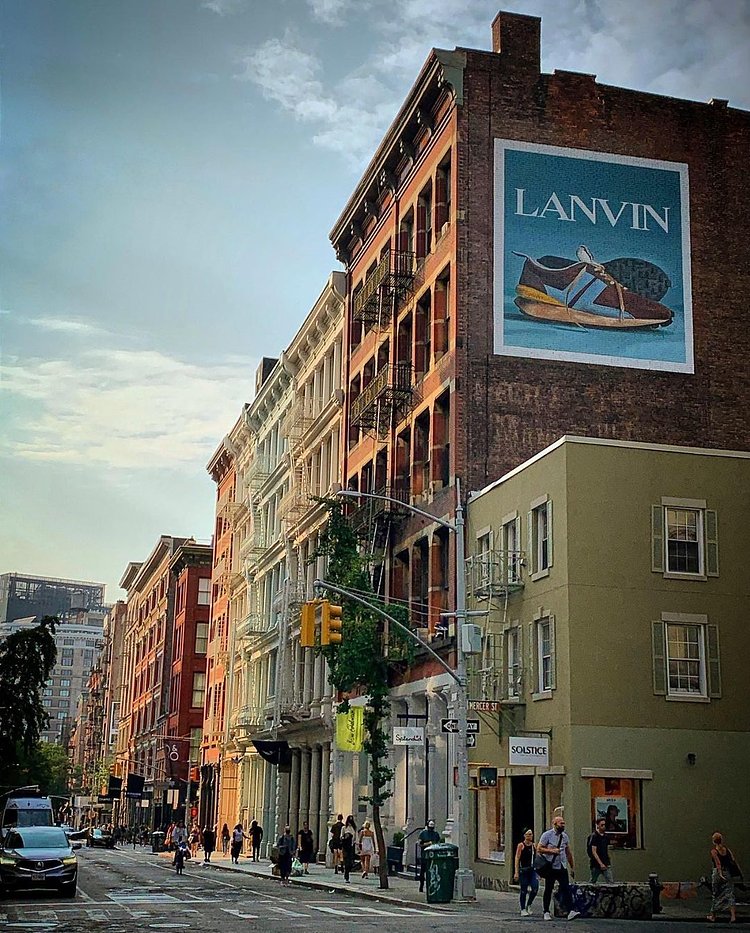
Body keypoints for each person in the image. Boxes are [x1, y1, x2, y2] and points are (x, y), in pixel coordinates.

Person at [537, 814, 580, 921]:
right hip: (551, 866)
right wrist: (552, 851)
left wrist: (572, 866)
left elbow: (568, 852)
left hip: (561, 866)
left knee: (566, 888)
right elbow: (539, 848)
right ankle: (546, 911)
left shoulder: (564, 836)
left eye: (563, 823)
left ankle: (570, 911)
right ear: (555, 824)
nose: (563, 825)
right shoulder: (547, 835)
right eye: (561, 823)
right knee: (548, 888)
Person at [707, 832, 741, 923]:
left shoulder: (714, 851)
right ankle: (733, 916)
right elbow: (733, 860)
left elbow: (718, 863)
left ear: (713, 841)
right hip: (728, 873)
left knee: (716, 894)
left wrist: (720, 874)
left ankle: (713, 916)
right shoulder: (727, 850)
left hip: (718, 873)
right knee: (730, 893)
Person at [514, 828, 539, 916]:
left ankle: (529, 904)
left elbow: (538, 858)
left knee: (535, 888)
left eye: (531, 834)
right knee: (523, 890)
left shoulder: (534, 846)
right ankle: (523, 908)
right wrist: (516, 872)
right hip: (524, 870)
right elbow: (517, 858)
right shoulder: (521, 845)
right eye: (528, 834)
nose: (530, 836)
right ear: (524, 835)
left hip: (532, 870)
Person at [587, 818, 613, 883]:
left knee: (610, 881)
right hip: (596, 864)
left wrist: (608, 859)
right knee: (593, 880)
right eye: (602, 825)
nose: (604, 827)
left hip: (605, 862)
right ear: (598, 826)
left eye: (604, 825)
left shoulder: (606, 837)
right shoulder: (594, 836)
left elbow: (606, 848)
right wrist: (600, 863)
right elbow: (594, 851)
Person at [418, 819, 441, 893]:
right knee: (422, 872)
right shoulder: (423, 834)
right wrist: (428, 844)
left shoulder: (436, 834)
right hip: (425, 856)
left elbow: (438, 843)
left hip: (433, 857)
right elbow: (420, 844)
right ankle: (421, 886)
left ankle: (430, 886)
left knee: (432, 872)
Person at [341, 816, 357, 883]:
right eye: (349, 822)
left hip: (351, 846)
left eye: (351, 822)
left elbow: (355, 838)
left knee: (350, 862)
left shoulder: (353, 828)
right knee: (346, 861)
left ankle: (347, 870)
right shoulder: (344, 828)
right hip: (345, 847)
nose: (350, 823)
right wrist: (345, 837)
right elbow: (341, 836)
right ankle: (346, 875)